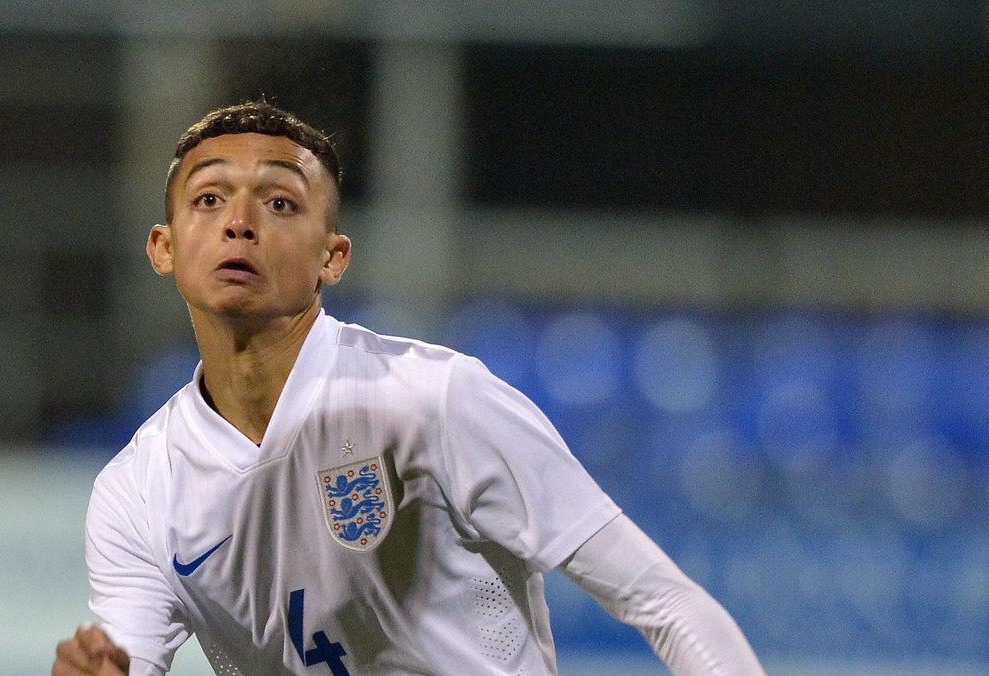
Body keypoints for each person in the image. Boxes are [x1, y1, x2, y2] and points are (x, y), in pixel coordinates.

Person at [52, 101, 765, 676]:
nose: (238, 222)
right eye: (208, 198)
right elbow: (124, 664)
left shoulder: (435, 399)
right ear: (163, 247)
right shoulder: (138, 491)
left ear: (332, 257)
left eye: (278, 204)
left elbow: (664, 603)